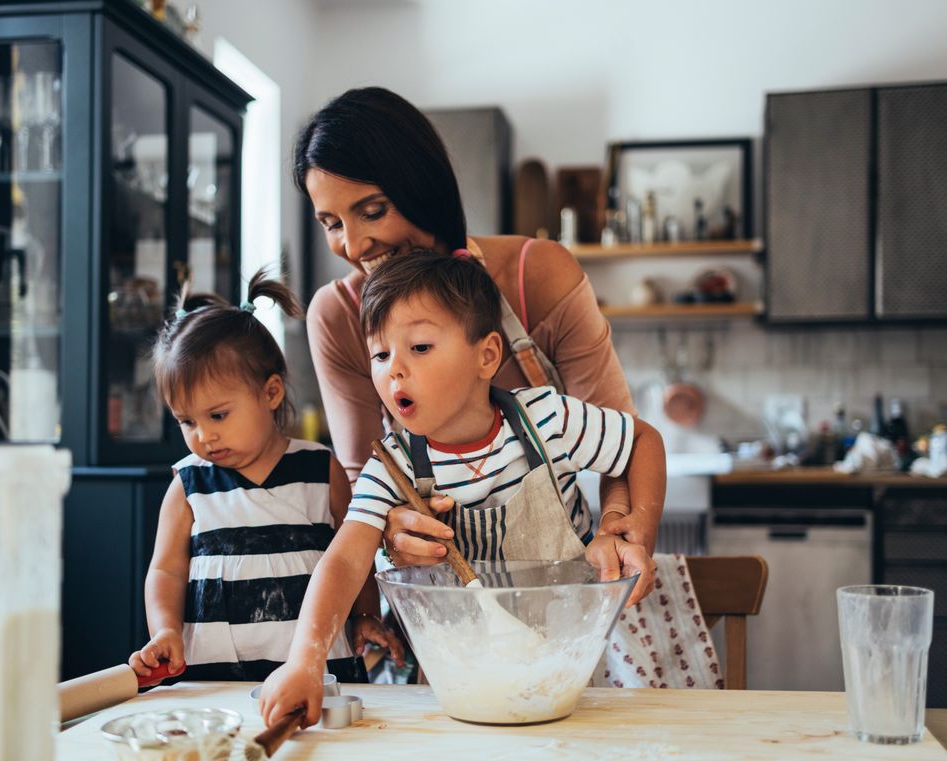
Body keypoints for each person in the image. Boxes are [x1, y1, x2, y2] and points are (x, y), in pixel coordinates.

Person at [259, 251, 665, 727]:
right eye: (381, 354)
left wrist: (633, 527)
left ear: (487, 355)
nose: (395, 370)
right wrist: (304, 662)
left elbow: (641, 439)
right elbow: (345, 561)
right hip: (457, 681)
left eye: (421, 347)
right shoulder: (394, 467)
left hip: (571, 661)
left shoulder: (547, 420)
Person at [297, 87, 655, 566]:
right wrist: (392, 530)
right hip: (443, 604)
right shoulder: (337, 315)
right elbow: (366, 478)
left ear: (421, 186)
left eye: (373, 211)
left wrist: (617, 528)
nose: (354, 245)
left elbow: (627, 447)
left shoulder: (538, 275)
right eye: (331, 222)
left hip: (567, 594)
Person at [128, 272, 403, 685]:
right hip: (215, 672)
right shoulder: (188, 485)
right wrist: (166, 630)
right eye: (187, 421)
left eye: (217, 415)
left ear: (271, 392)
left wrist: (364, 614)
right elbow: (166, 571)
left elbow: (354, 554)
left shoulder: (319, 468)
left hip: (319, 667)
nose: (204, 436)